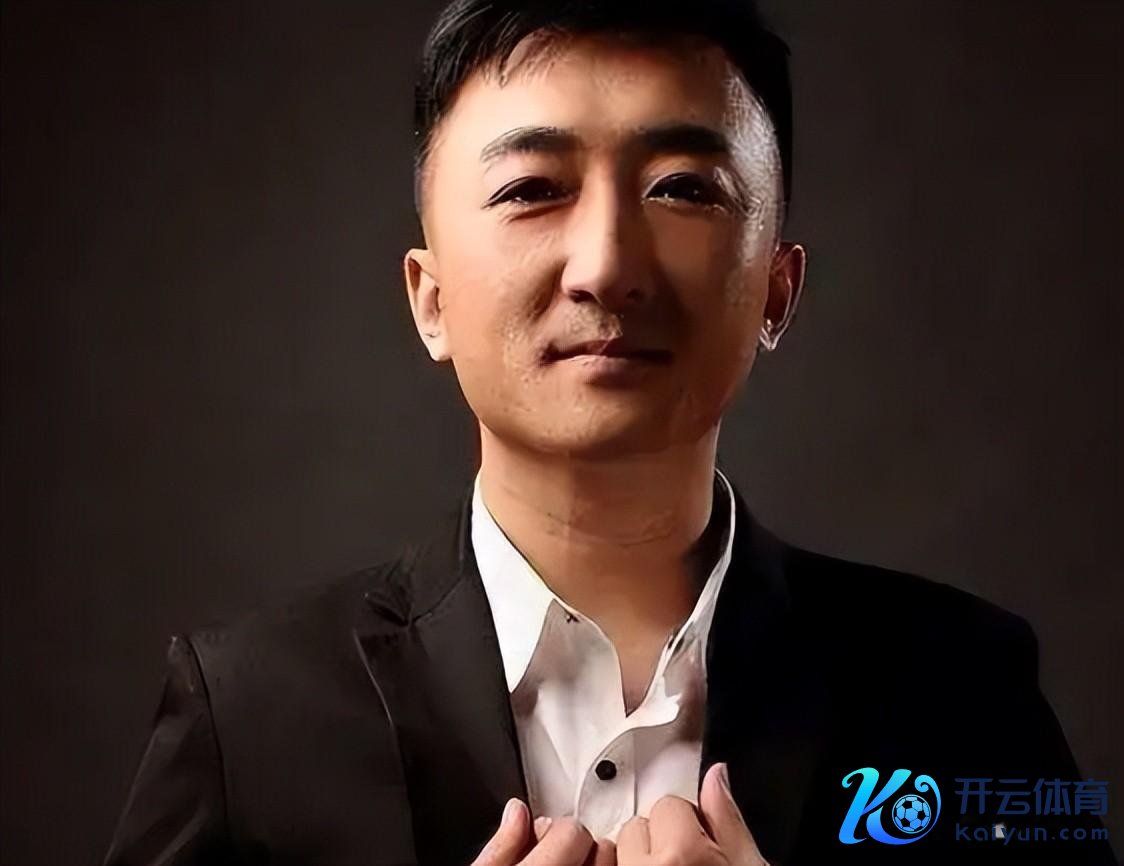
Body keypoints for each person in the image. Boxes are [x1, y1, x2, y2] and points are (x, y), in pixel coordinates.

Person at [104, 1, 1115, 864]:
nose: (606, 266)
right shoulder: (249, 716)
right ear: (430, 300)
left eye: (681, 188)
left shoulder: (961, 687)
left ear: (776, 288)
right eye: (531, 189)